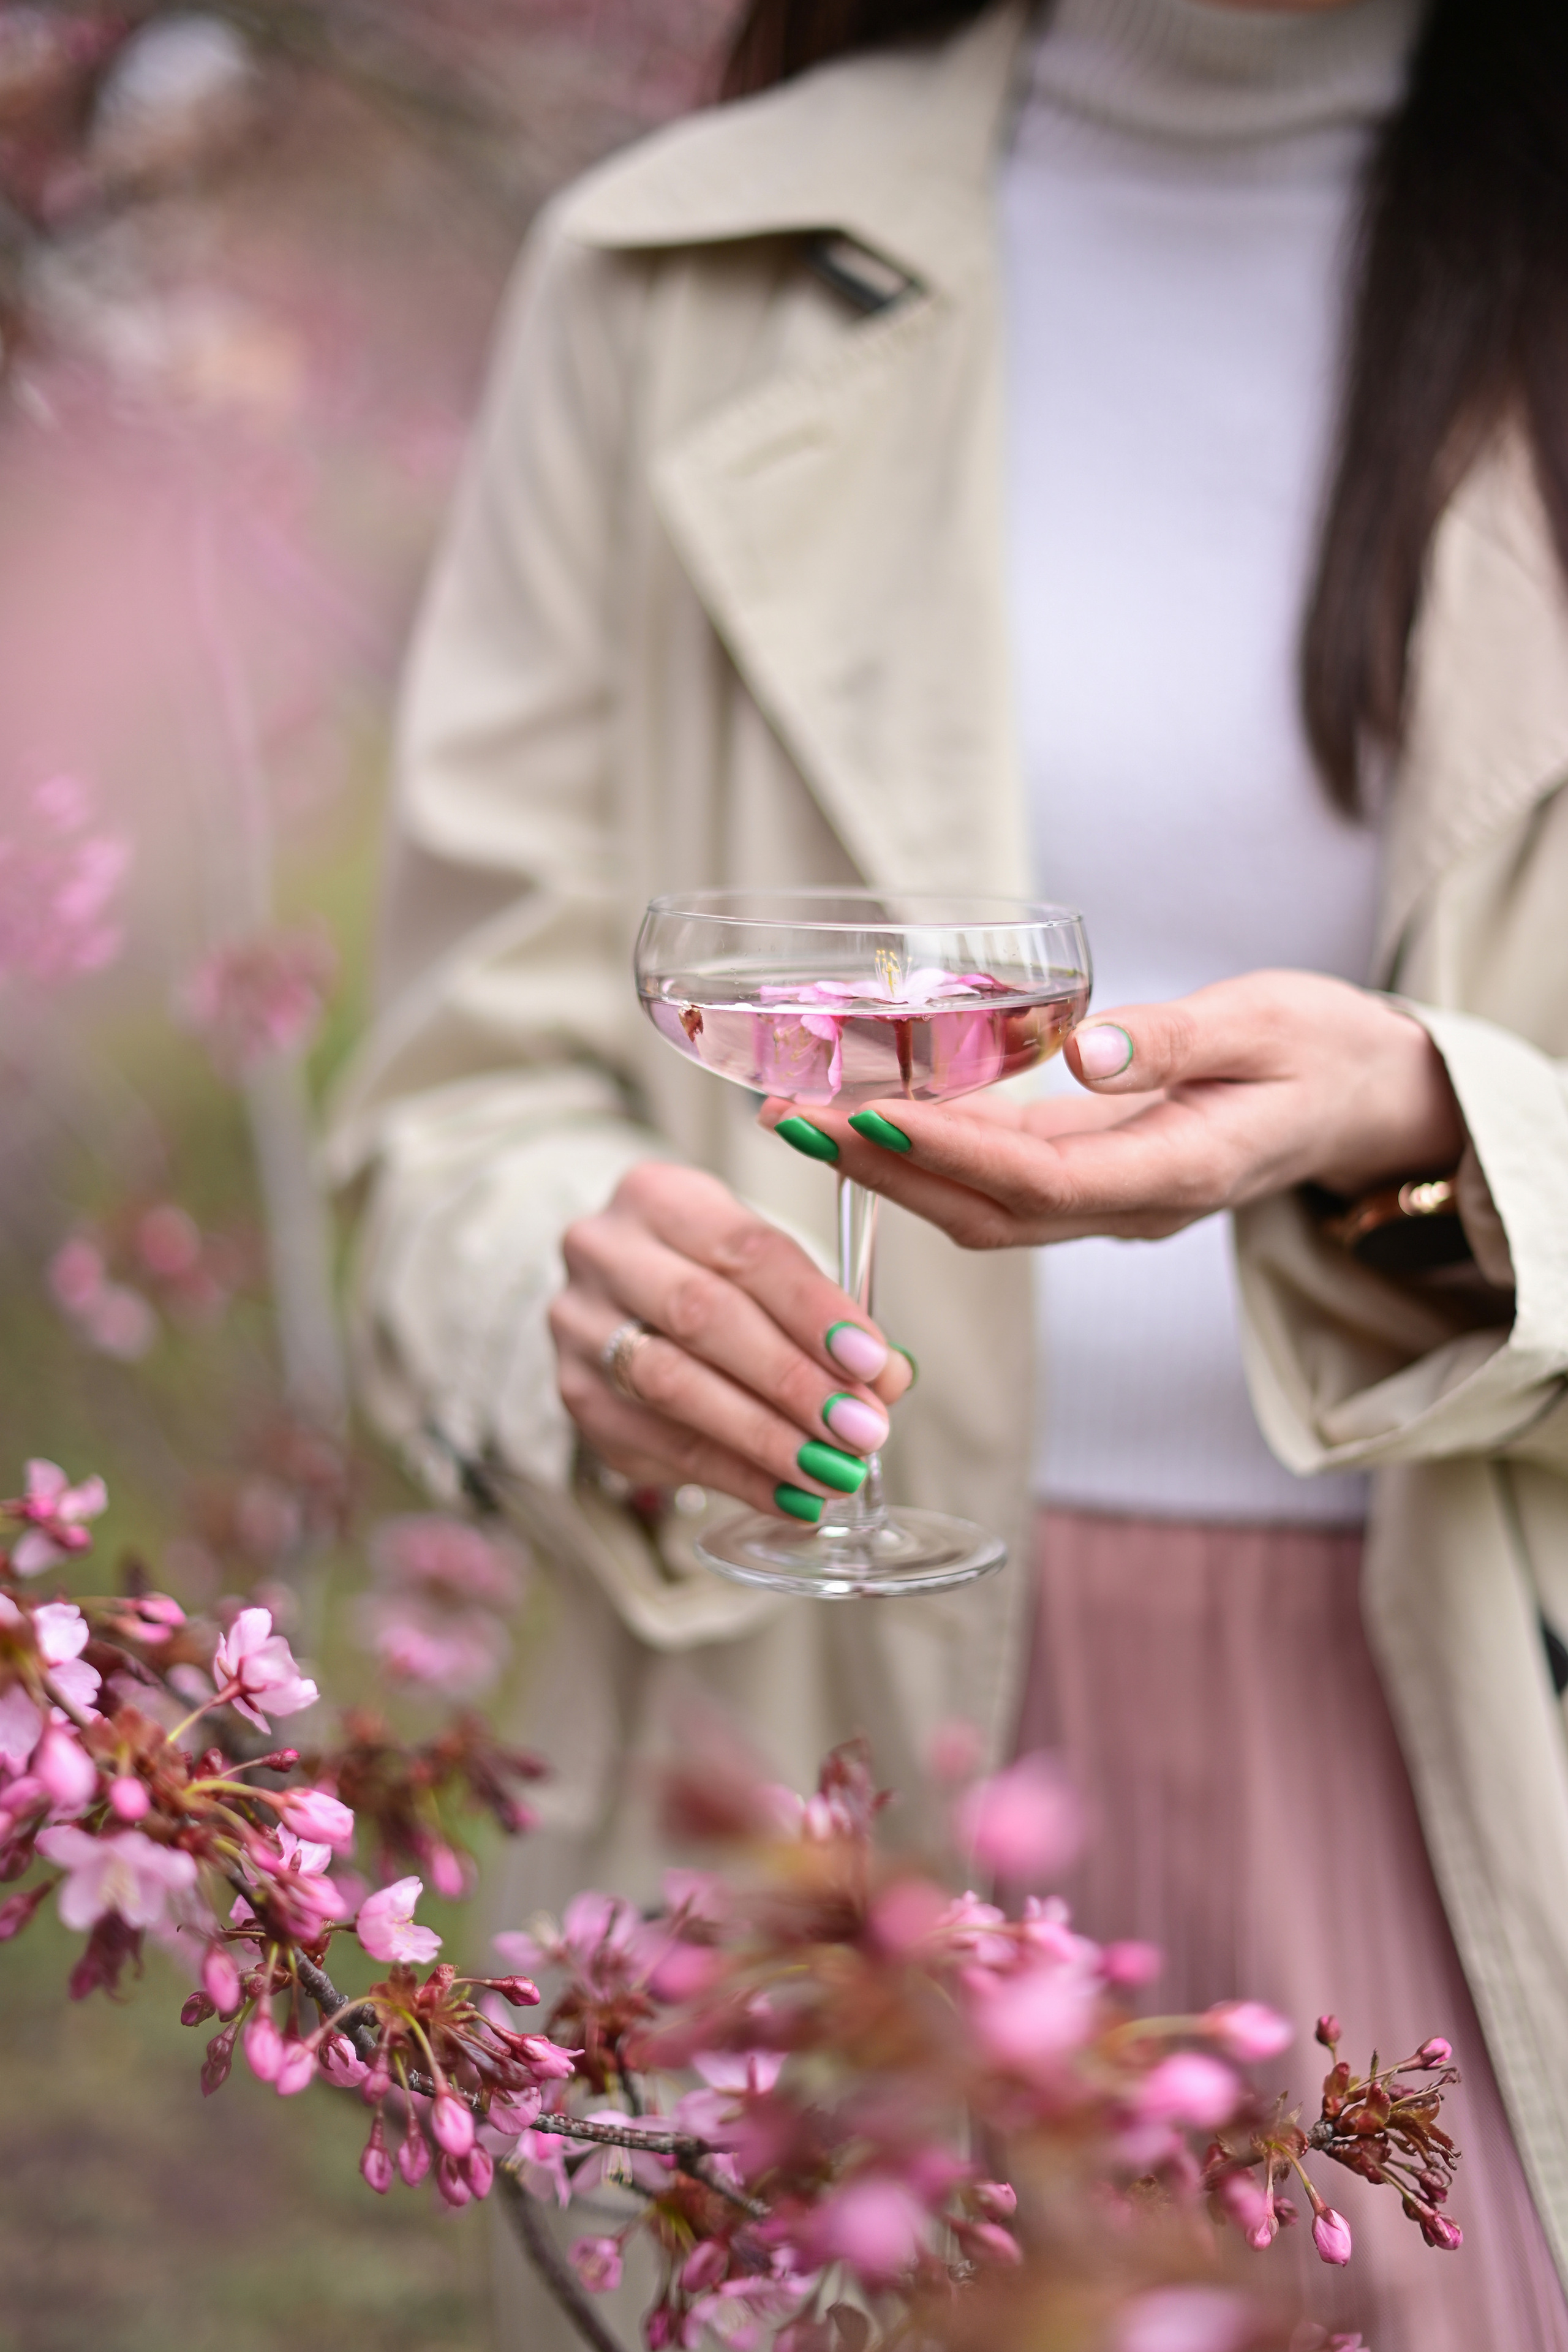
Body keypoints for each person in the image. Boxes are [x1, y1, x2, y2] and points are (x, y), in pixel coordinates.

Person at [328, 0, 1568, 2340]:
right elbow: (454, 1108)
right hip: (821, 1739)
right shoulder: (679, 269)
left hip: (1465, 1733)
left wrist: (1440, 1129)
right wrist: (572, 1307)